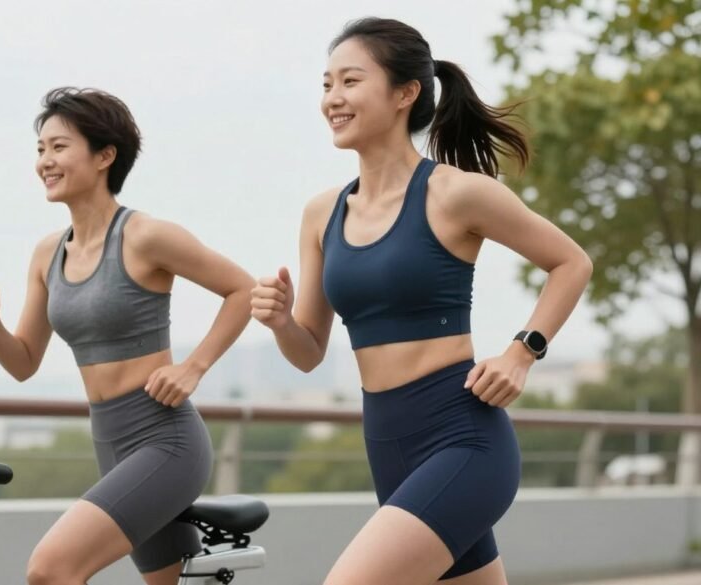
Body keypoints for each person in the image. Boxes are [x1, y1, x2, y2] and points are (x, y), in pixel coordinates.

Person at [250, 17, 593, 585]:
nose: (333, 98)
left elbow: (571, 262)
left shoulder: (456, 193)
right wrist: (283, 321)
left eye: (350, 81)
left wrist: (521, 352)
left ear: (405, 93)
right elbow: (308, 353)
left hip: (464, 439)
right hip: (387, 447)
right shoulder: (321, 214)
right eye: (327, 84)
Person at [0, 87, 254, 585]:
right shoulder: (47, 254)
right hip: (109, 441)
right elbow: (24, 362)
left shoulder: (144, 236)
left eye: (59, 147)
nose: (45, 161)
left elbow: (243, 290)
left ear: (105, 156)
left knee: (51, 570)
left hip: (166, 441)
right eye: (41, 149)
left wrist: (193, 366)